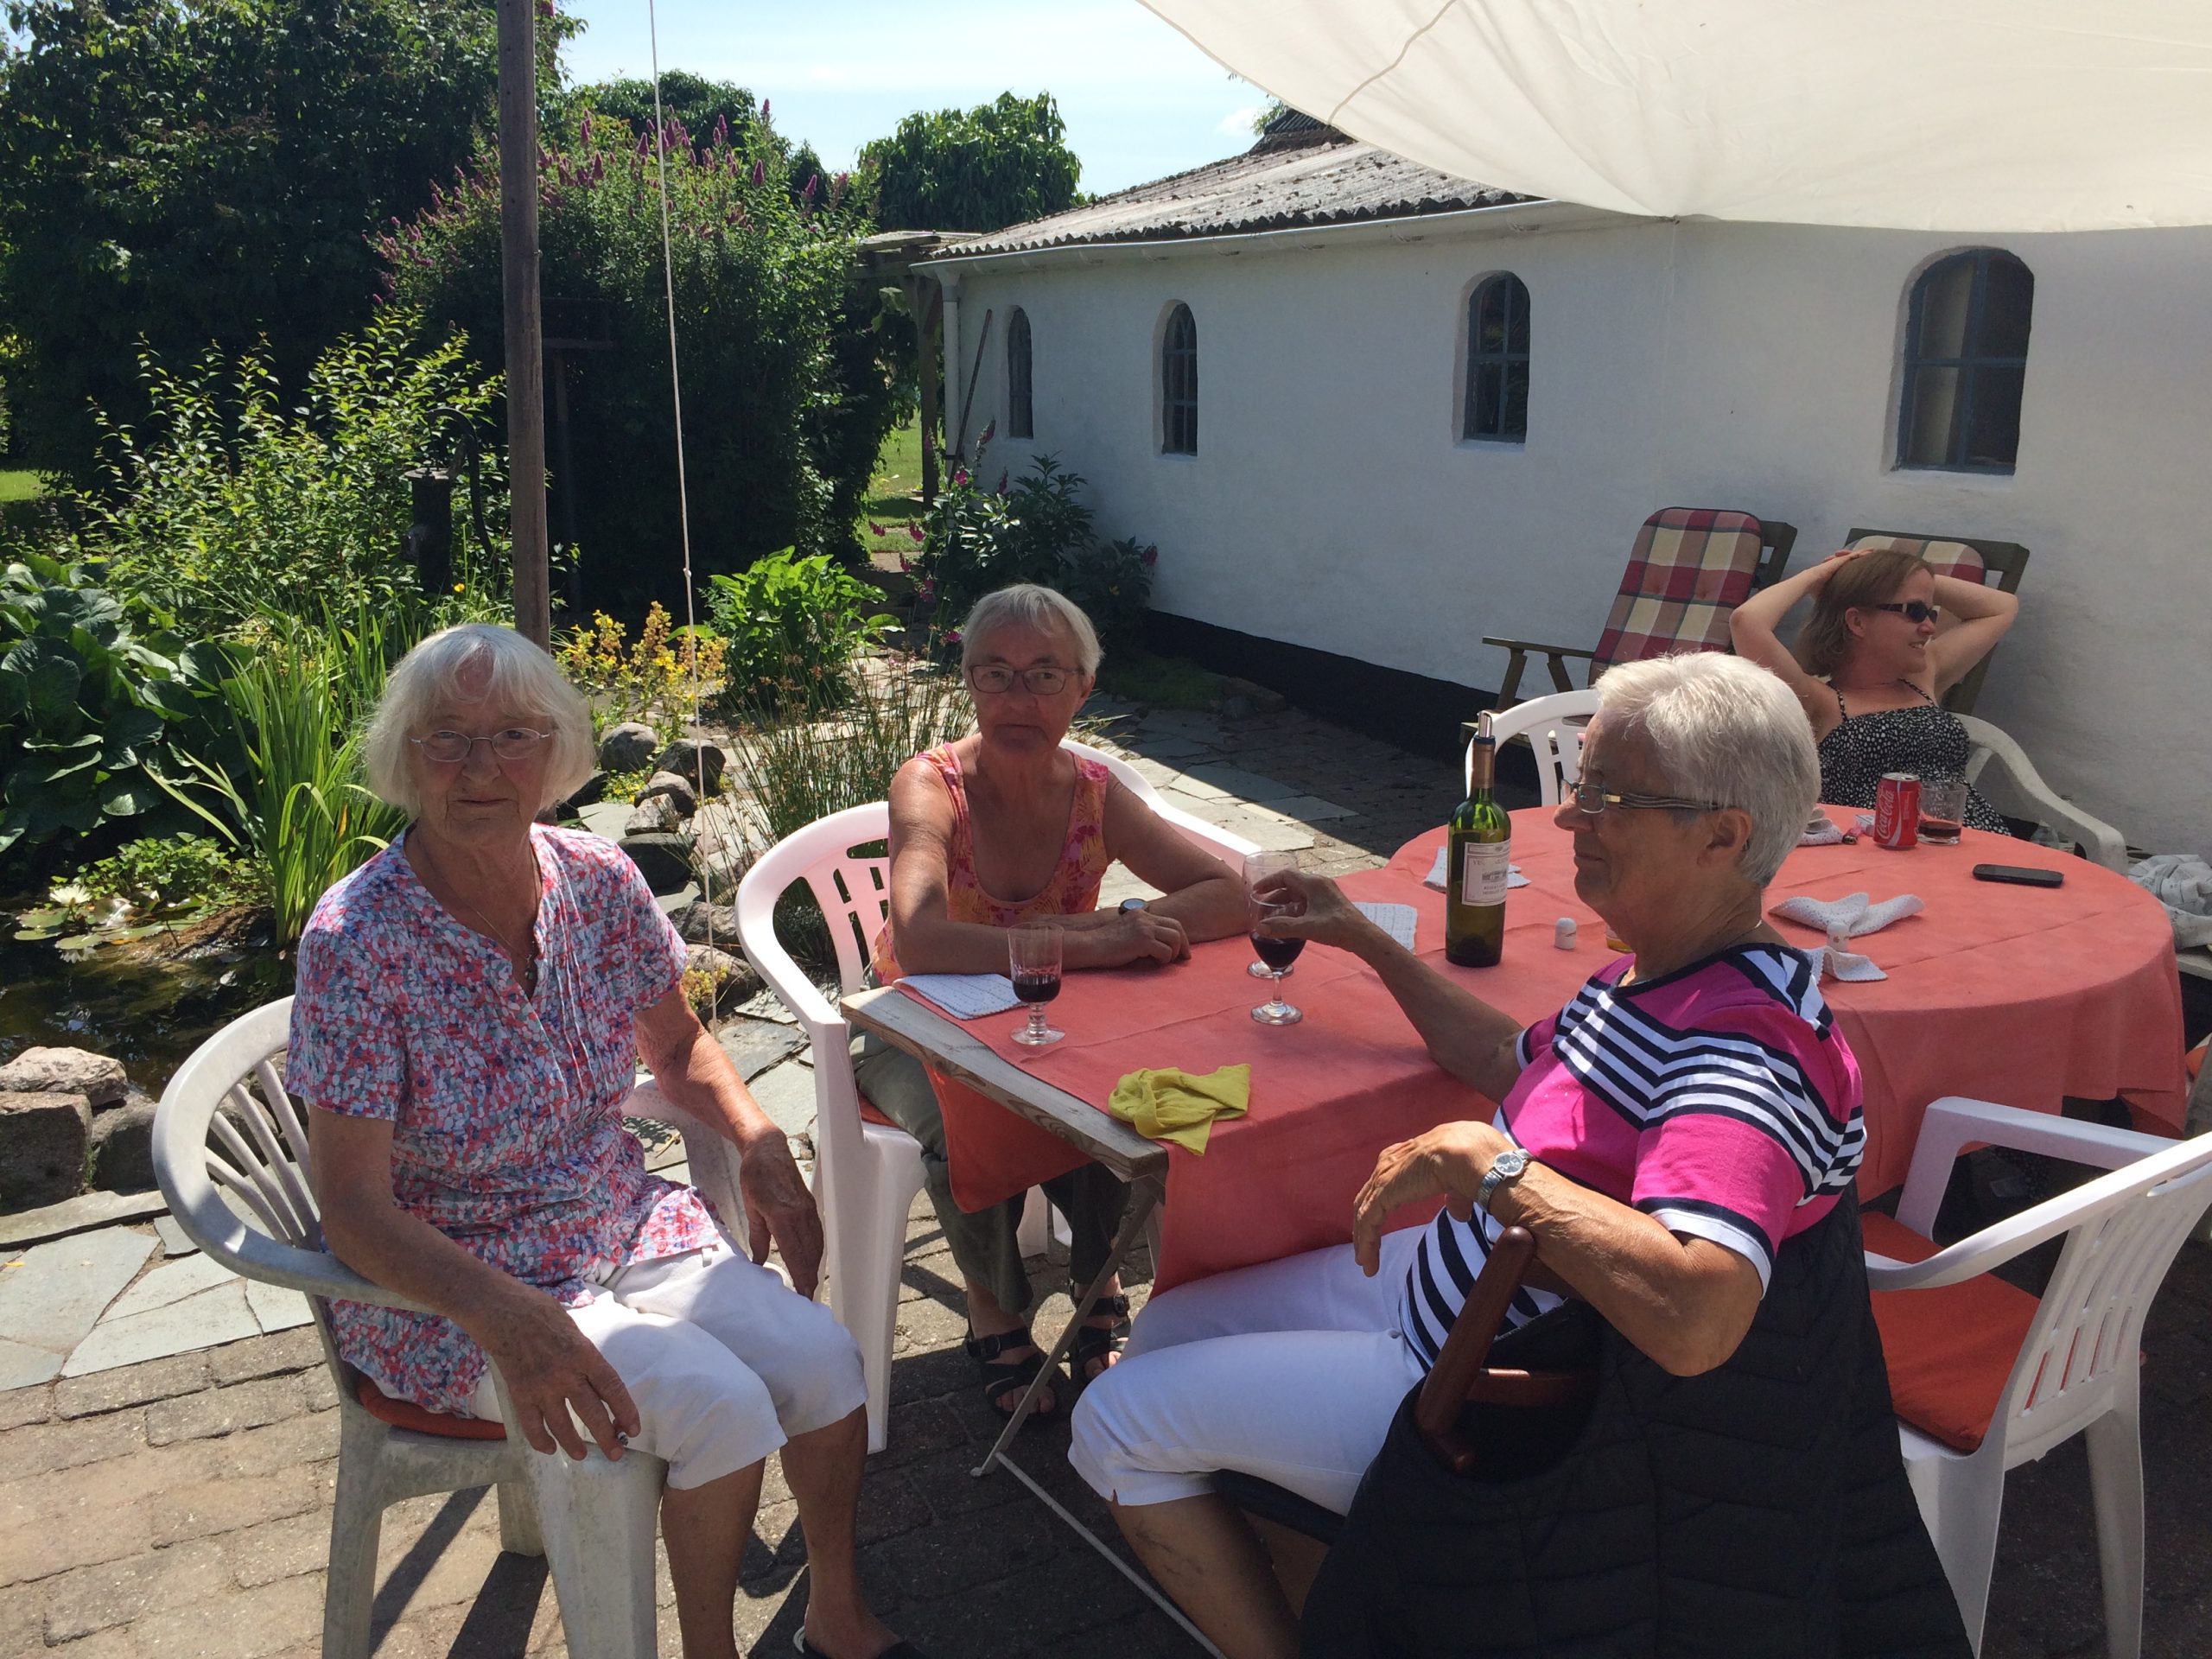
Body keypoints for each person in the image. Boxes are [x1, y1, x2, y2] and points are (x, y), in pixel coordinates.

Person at [1068, 654, 1951, 1659]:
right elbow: (1502, 1057)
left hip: (1486, 1388)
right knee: (1171, 1321)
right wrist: (1364, 938)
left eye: (1610, 797)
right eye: (1583, 789)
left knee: (1111, 1423)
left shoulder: (1736, 1053)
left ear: (1722, 835)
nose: (1573, 820)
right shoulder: (1655, 975)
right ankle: (1345, 1586)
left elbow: (1702, 1315)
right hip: (1442, 1291)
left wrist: (1487, 1168)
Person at [291, 624, 922, 1659]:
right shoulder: (356, 941)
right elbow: (353, 1211)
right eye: (447, 740)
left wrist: (757, 1137)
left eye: (512, 736)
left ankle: (834, 1611)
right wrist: (509, 1317)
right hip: (453, 1285)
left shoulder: (595, 876)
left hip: (613, 1219)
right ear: (408, 757)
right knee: (720, 1407)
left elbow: (677, 1047)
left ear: (558, 751)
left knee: (821, 1361)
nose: (482, 768)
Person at [859, 583, 1247, 1414]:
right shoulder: (931, 786)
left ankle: (1101, 1286)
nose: (1016, 698)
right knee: (965, 1114)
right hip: (915, 1019)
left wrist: (1132, 917)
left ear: (1083, 690)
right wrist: (1095, 941)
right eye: (994, 673)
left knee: (1119, 1102)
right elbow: (922, 937)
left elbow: (1228, 894)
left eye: (1043, 677)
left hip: (1045, 1015)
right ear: (966, 682)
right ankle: (993, 1315)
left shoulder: (1096, 793)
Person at [1730, 544, 2019, 830]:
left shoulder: (1922, 679)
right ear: (1857, 622)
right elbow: (1746, 621)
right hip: (1877, 851)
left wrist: (1906, 577)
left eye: (1931, 613)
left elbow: (2002, 608)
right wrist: (1822, 576)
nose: (1930, 627)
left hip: (1970, 839)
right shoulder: (1817, 701)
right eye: (1915, 611)